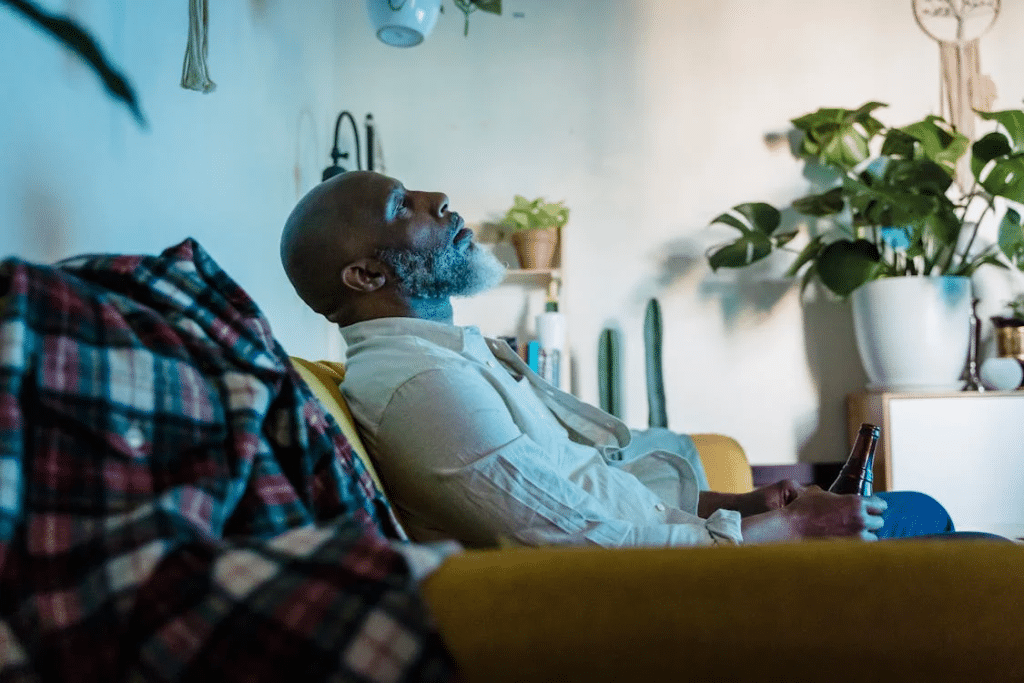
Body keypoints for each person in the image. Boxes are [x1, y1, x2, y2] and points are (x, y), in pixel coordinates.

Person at [279, 170, 986, 549]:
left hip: (692, 540)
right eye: (406, 203)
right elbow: (579, 542)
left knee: (924, 512)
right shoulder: (420, 387)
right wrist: (783, 529)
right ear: (366, 276)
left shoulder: (454, 356)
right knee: (960, 542)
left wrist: (746, 501)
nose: (439, 198)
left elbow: (593, 477)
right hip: (675, 580)